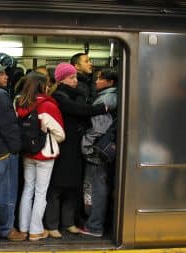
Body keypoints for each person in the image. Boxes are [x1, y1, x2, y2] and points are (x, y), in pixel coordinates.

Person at [43, 62, 107, 238]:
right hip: (62, 146)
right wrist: (100, 109)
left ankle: (68, 222)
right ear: (62, 79)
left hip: (74, 145)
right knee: (56, 188)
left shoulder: (77, 94)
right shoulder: (59, 96)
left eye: (75, 77)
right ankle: (52, 224)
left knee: (72, 187)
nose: (75, 80)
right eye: (72, 77)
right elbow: (78, 110)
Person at [15, 71, 65, 241]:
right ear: (42, 86)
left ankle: (23, 227)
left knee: (27, 189)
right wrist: (48, 135)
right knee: (41, 192)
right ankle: (36, 230)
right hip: (44, 154)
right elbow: (60, 134)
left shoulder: (19, 102)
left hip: (26, 152)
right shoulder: (48, 105)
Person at [80, 68, 118, 237]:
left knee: (96, 187)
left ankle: (94, 226)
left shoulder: (105, 98)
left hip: (97, 149)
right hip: (106, 148)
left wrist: (86, 144)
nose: (96, 81)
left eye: (100, 79)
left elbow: (98, 128)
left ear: (110, 82)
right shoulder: (114, 95)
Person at [0, 62, 26, 241]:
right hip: (4, 152)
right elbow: (9, 126)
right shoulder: (1, 95)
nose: (6, 77)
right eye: (1, 74)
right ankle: (6, 229)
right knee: (6, 193)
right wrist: (16, 148)